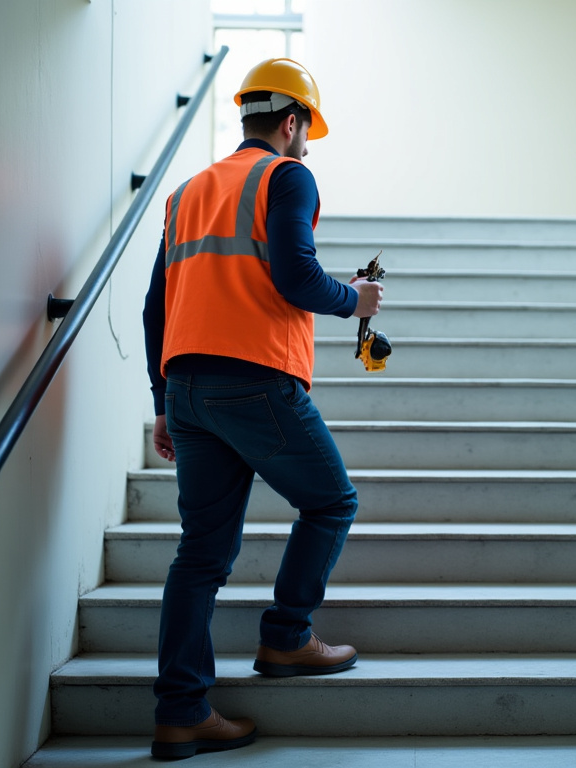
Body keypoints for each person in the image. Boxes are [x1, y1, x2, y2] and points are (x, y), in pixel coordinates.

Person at [141, 57, 383, 760]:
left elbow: (156, 306)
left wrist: (163, 402)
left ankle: (181, 713)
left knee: (200, 553)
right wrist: (354, 300)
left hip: (188, 388)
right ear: (292, 121)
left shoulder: (186, 192)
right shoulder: (287, 176)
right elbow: (295, 276)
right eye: (307, 131)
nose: (307, 145)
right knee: (332, 502)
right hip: (255, 379)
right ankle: (286, 637)